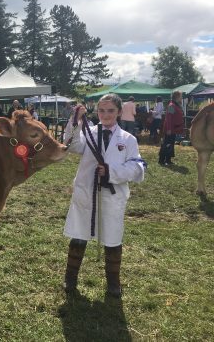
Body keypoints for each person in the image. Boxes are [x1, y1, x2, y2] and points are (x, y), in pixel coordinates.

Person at [62, 93, 146, 298]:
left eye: (110, 111)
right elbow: (71, 145)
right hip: (86, 192)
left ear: (118, 112)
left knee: (112, 237)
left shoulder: (128, 140)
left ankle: (113, 282)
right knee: (79, 235)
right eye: (101, 110)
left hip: (112, 196)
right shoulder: (88, 133)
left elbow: (137, 167)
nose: (105, 115)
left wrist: (111, 172)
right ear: (96, 112)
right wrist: (74, 121)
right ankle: (70, 278)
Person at [159, 90, 184, 166]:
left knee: (170, 144)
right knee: (167, 144)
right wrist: (169, 129)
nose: (181, 98)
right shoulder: (171, 105)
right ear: (177, 97)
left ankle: (168, 160)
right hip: (170, 129)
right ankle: (162, 160)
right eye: (180, 96)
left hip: (173, 129)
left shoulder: (175, 105)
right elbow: (168, 118)